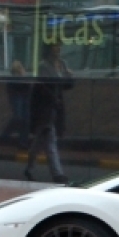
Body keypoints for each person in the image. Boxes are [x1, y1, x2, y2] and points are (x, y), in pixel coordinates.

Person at [24, 41, 75, 184]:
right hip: (44, 107)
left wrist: (70, 77)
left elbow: (66, 86)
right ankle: (57, 173)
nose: (58, 49)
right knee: (50, 139)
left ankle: (30, 168)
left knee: (40, 140)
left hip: (56, 107)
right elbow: (44, 87)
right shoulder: (43, 66)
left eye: (59, 46)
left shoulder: (62, 64)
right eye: (55, 46)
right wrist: (54, 97)